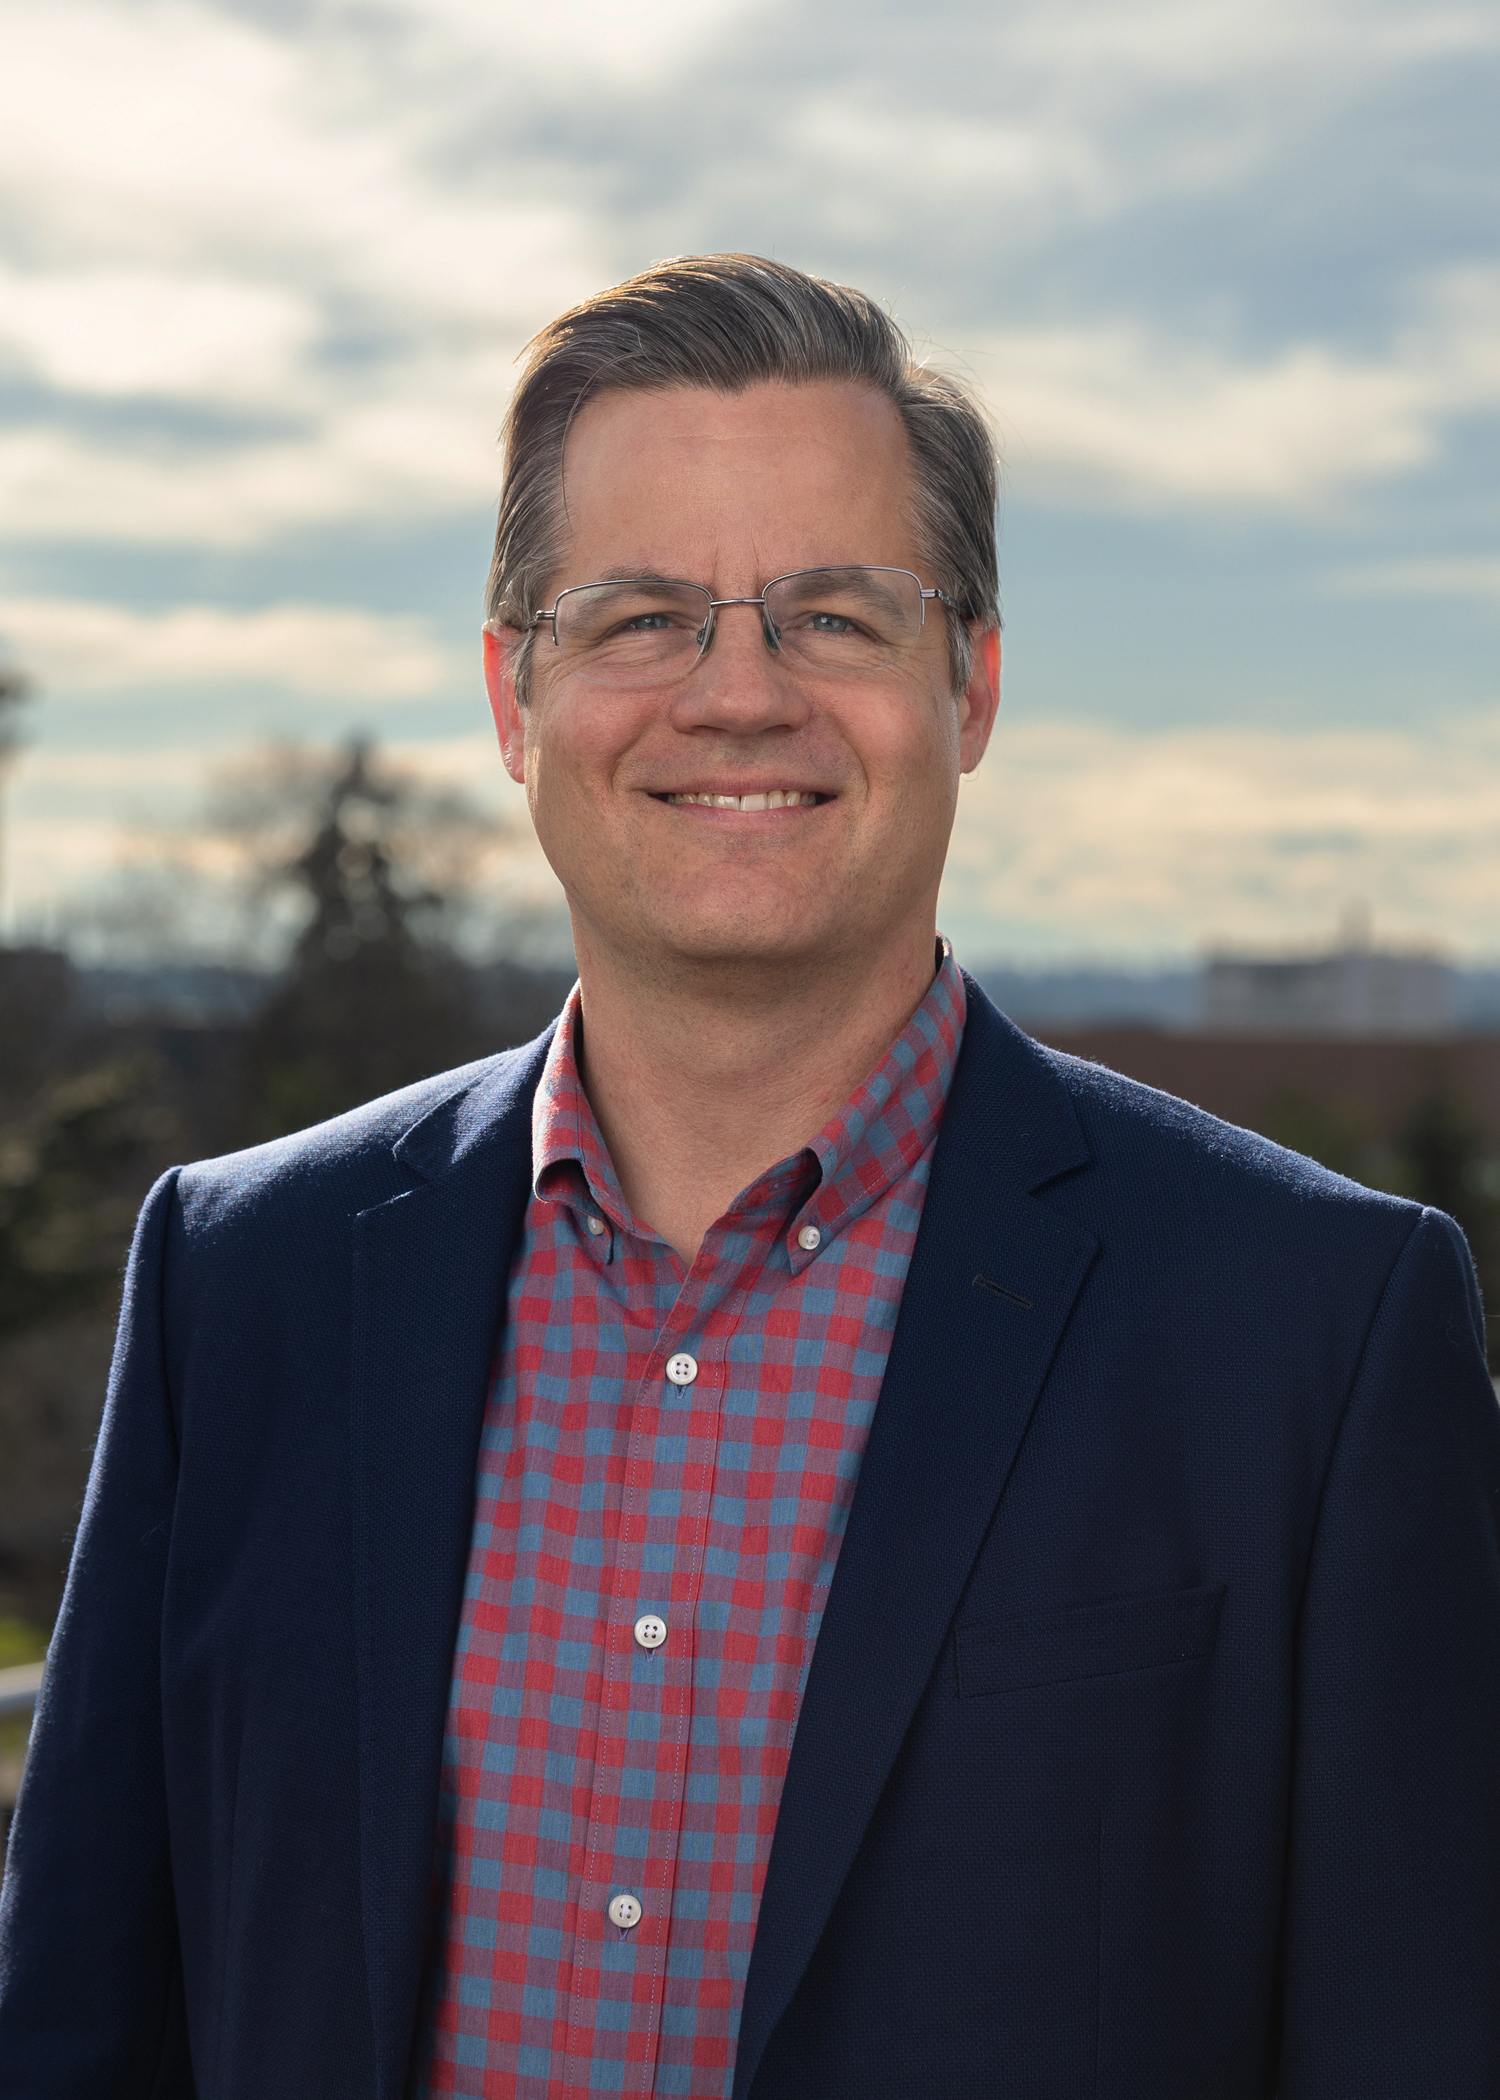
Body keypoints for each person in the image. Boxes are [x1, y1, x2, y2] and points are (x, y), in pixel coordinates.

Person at [1, 255, 1497, 2100]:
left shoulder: (1312, 1334)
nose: (737, 696)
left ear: (974, 687)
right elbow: (80, 2022)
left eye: (836, 618)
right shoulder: (249, 1281)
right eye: (639, 616)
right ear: (513, 697)